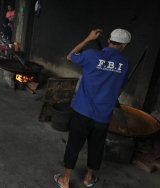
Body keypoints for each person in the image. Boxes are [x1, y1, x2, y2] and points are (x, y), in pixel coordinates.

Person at [54, 28, 131, 188]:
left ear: (109, 40)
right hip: (103, 115)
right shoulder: (125, 64)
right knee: (97, 147)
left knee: (74, 144)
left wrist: (88, 38)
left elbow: (70, 56)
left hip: (82, 110)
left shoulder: (91, 55)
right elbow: (120, 88)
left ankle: (66, 181)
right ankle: (89, 178)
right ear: (124, 46)